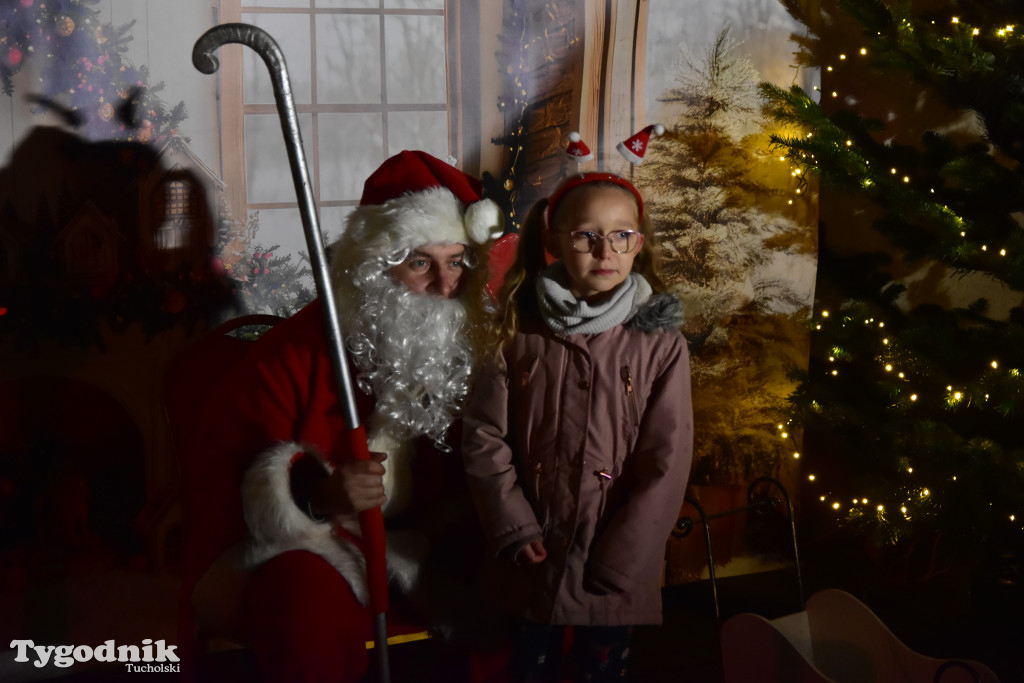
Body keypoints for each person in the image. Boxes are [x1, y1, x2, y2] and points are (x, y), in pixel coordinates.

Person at [188, 150, 504, 682]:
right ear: (376, 269)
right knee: (304, 601)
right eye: (421, 263)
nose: (446, 286)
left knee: (531, 577)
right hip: (319, 544)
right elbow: (226, 471)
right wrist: (320, 497)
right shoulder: (298, 349)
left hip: (436, 538)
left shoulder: (480, 341)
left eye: (457, 262)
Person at [462, 171, 694, 682]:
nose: (603, 249)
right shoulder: (518, 333)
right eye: (587, 234)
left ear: (638, 244)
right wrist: (514, 525)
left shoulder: (660, 346)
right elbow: (484, 437)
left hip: (610, 561)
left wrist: (625, 556)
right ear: (553, 242)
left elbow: (668, 458)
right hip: (534, 555)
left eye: (620, 235)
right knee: (528, 668)